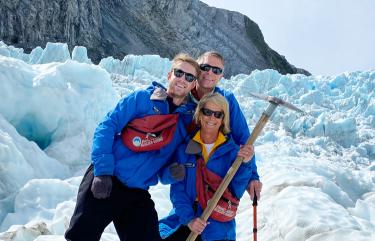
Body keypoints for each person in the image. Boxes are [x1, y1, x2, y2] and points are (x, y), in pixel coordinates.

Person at [65, 53, 200, 241]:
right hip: (108, 179)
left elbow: (163, 171)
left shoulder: (183, 123)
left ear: (193, 84)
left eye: (189, 77)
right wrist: (102, 172)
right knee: (81, 237)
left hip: (137, 192)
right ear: (170, 75)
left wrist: (172, 173)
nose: (182, 79)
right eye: (179, 73)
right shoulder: (143, 99)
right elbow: (107, 126)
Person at [159, 93, 258, 241]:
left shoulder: (232, 152)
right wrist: (189, 220)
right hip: (186, 219)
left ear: (223, 119)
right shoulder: (185, 149)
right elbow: (178, 191)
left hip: (217, 226)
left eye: (218, 114)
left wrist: (246, 163)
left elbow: (235, 192)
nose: (212, 118)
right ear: (199, 114)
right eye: (207, 112)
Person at [191, 51, 262, 200]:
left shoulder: (227, 100)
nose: (210, 73)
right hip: (189, 169)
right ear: (197, 68)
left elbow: (243, 138)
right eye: (205, 67)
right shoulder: (184, 93)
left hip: (218, 170)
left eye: (216, 70)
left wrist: (252, 176)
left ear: (221, 76)